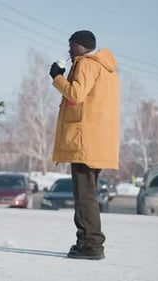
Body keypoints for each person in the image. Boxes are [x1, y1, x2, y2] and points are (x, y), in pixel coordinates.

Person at [49, 30, 120, 260]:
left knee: (84, 196)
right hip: (95, 140)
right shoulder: (106, 68)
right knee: (87, 194)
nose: (69, 50)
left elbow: (76, 94)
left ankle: (91, 245)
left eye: (71, 45)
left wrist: (57, 77)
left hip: (83, 142)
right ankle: (87, 242)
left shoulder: (87, 64)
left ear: (82, 46)